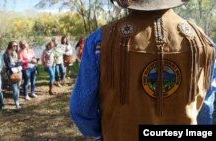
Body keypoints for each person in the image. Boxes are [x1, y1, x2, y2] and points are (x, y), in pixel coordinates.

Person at [70, 0, 215, 141]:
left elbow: (81, 108)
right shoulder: (202, 41)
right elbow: (205, 107)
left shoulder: (101, 39)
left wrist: (99, 134)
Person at [3, 41, 22, 111]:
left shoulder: (17, 53)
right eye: (13, 46)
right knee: (15, 89)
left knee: (18, 87)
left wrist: (17, 64)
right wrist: (17, 64)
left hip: (19, 71)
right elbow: (8, 65)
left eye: (16, 46)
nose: (15, 47)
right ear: (10, 46)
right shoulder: (6, 54)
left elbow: (21, 62)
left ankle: (18, 102)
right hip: (11, 73)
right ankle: (17, 105)